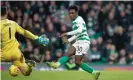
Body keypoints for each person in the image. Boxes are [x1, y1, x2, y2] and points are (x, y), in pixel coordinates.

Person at [47, 5, 100, 80]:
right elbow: (77, 34)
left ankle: (94, 72)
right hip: (80, 41)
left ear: (76, 13)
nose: (71, 15)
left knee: (77, 61)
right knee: (69, 55)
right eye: (70, 13)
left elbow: (80, 31)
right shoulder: (75, 21)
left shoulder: (79, 19)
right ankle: (57, 64)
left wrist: (66, 33)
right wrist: (68, 40)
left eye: (73, 13)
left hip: (83, 41)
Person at [0, 6, 49, 76]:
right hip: (15, 53)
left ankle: (13, 68)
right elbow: (24, 32)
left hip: (3, 54)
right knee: (27, 72)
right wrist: (37, 38)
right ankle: (20, 66)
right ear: (7, 13)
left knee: (13, 71)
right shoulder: (13, 23)